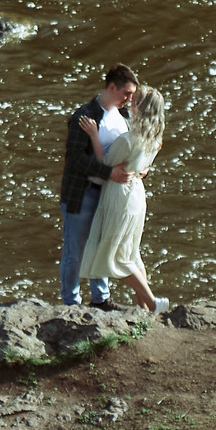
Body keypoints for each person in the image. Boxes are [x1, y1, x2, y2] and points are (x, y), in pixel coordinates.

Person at [79, 84, 168, 312]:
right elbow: (143, 166)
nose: (130, 103)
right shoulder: (154, 139)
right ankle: (146, 310)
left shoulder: (129, 140)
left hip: (121, 197)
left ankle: (152, 303)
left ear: (142, 108)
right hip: (137, 194)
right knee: (131, 254)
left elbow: (104, 162)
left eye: (135, 101)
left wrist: (93, 136)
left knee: (116, 258)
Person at [58, 65, 136, 307]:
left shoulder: (125, 117)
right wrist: (108, 172)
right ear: (112, 87)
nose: (130, 99)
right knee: (75, 252)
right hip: (83, 195)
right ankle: (70, 303)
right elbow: (75, 159)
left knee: (102, 246)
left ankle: (100, 299)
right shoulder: (84, 116)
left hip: (108, 194)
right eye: (126, 93)